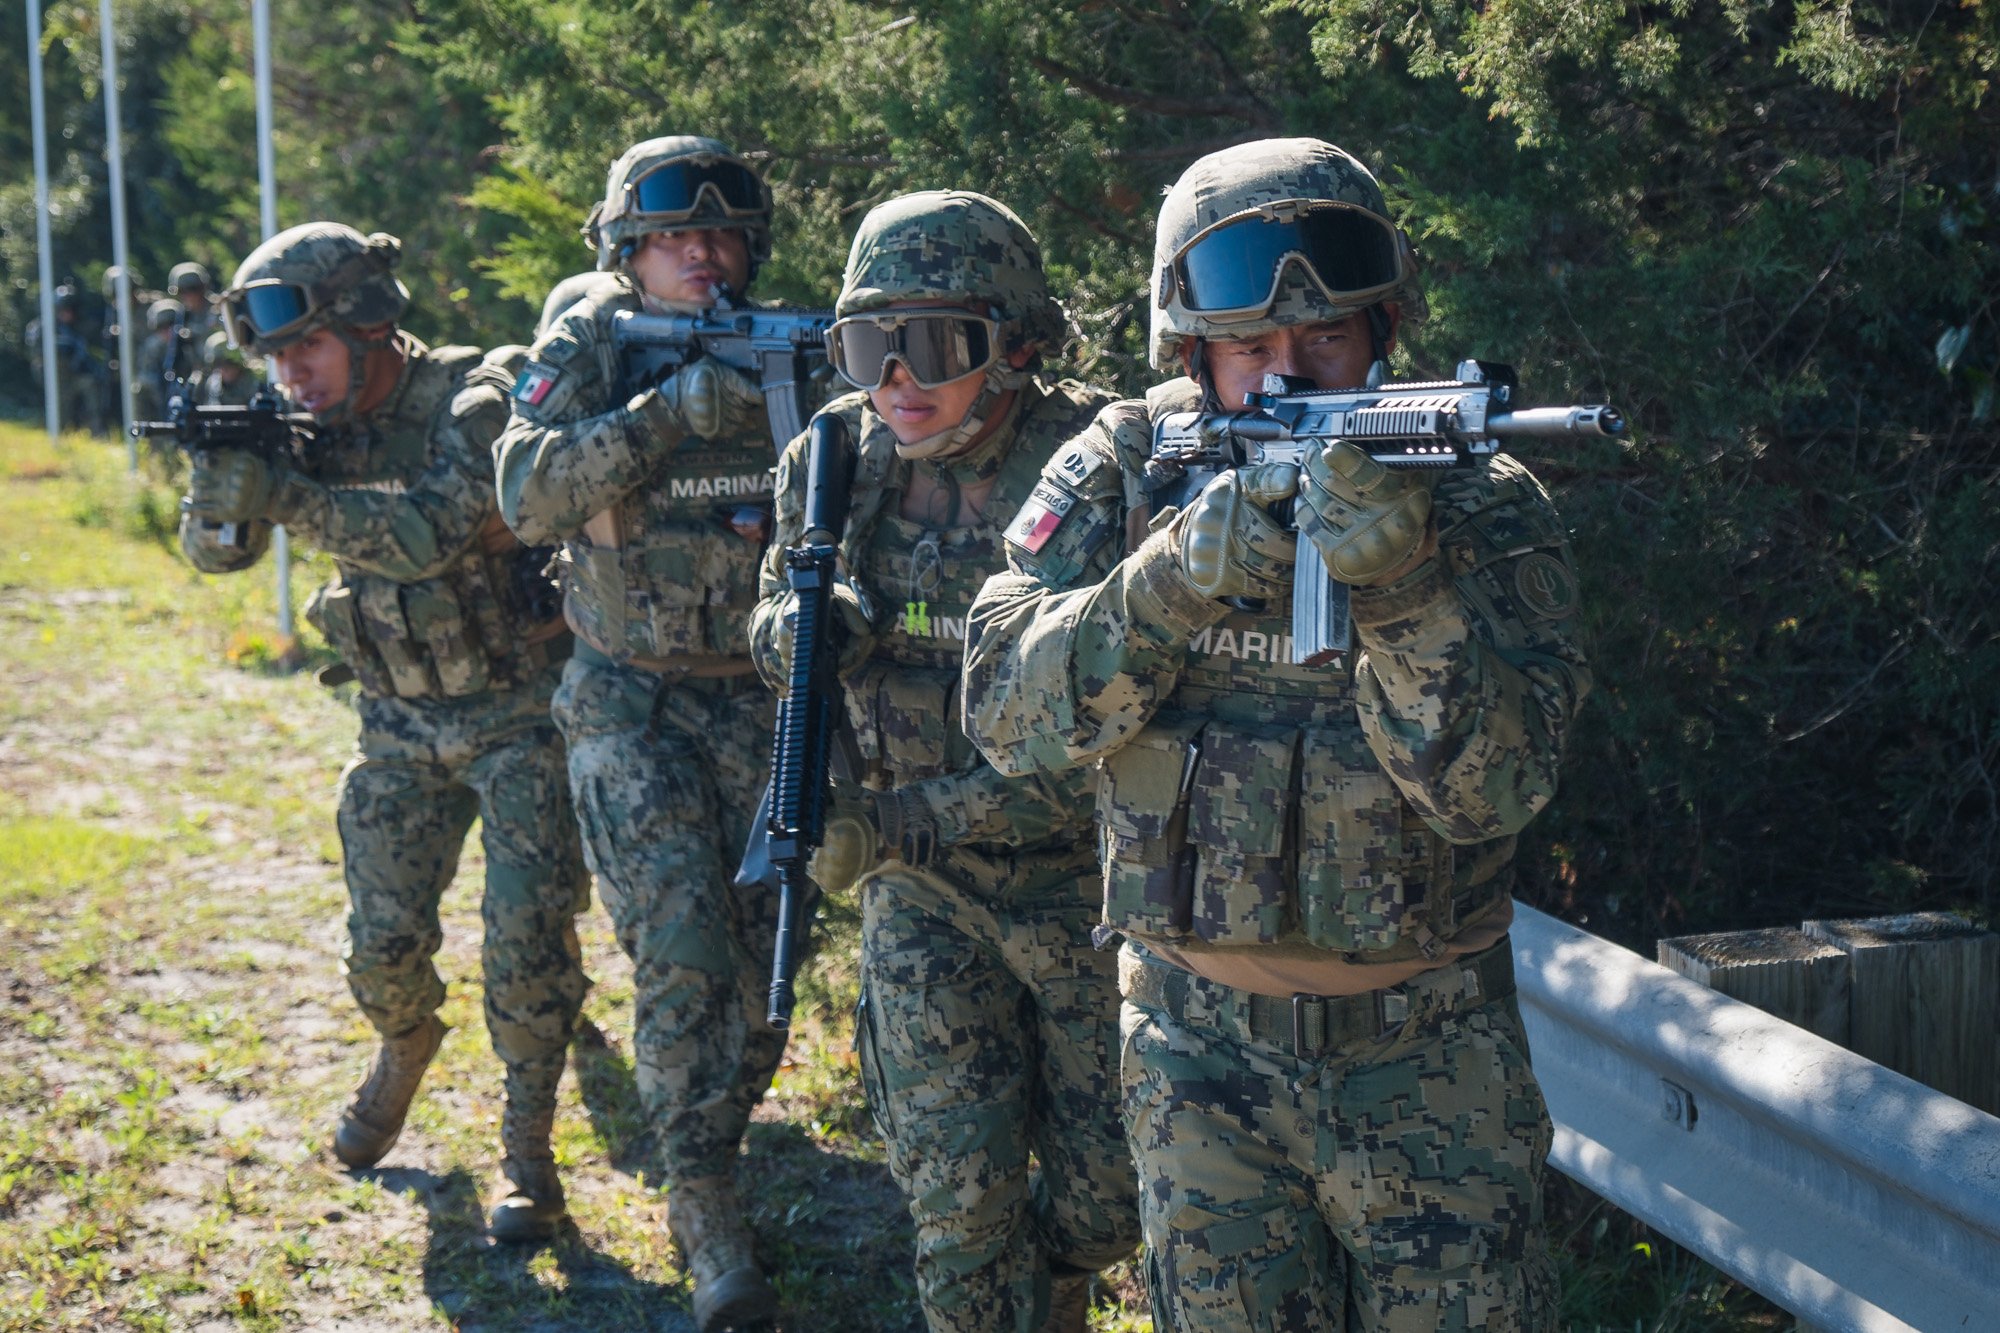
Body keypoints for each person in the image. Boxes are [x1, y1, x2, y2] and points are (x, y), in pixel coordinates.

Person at [963, 137, 1590, 1330]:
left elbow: (1491, 794)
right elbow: (1001, 710)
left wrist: (1402, 587)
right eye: (1251, 350)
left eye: (1326, 342)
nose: (1288, 378)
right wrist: (1163, 588)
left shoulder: (1478, 502)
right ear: (1191, 352)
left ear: (1383, 334)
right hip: (1194, 1061)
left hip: (1427, 1058)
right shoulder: (1131, 466)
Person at [747, 191, 1140, 1333]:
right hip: (921, 899)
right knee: (958, 1216)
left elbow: (1108, 720)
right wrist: (815, 627)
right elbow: (770, 625)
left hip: (1088, 890)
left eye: (932, 345)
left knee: (1102, 1207)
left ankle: (1057, 1289)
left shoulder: (1095, 467)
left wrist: (905, 820)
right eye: (867, 346)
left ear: (1013, 345)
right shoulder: (830, 459)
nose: (895, 380)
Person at [180, 222, 590, 1242]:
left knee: (527, 950)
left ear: (367, 325)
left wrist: (282, 494)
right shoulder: (292, 422)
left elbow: (423, 538)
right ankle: (403, 1043)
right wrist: (220, 495)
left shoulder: (471, 403)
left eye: (305, 347)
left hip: (518, 713)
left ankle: (526, 1155)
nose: (291, 373)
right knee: (380, 947)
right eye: (274, 356)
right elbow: (219, 557)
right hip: (395, 720)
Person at [494, 135, 792, 1331]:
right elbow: (524, 495)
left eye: (721, 235)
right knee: (680, 950)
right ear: (628, 248)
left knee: (768, 974)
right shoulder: (590, 343)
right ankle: (703, 1198)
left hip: (761, 702)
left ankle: (710, 1134)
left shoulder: (787, 350)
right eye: (677, 236)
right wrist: (668, 414)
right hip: (628, 698)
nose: (703, 255)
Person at [25, 283, 110, 434]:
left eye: (71, 310)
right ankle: (60, 431)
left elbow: (87, 351)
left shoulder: (77, 328)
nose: (68, 314)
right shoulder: (41, 328)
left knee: (91, 385)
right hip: (56, 381)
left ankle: (96, 429)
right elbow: (37, 357)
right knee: (61, 412)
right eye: (64, 310)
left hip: (75, 377)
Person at [199, 328, 260, 406]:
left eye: (227, 366)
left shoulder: (253, 383)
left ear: (238, 365)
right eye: (217, 365)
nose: (222, 370)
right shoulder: (213, 384)